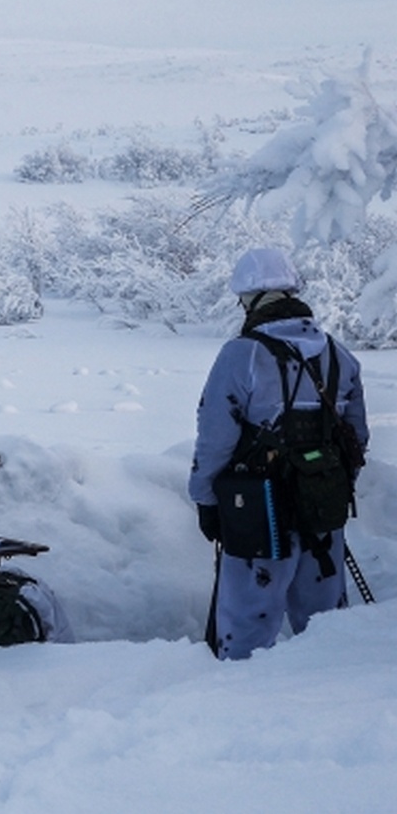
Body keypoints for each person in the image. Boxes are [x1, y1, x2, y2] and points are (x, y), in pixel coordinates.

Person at [188, 248, 368, 660]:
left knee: (246, 628)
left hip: (256, 507)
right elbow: (356, 437)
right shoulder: (339, 354)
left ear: (248, 299)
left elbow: (215, 435)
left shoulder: (242, 354)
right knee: (327, 627)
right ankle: (326, 696)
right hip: (323, 504)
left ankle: (238, 705)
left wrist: (206, 498)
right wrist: (327, 485)